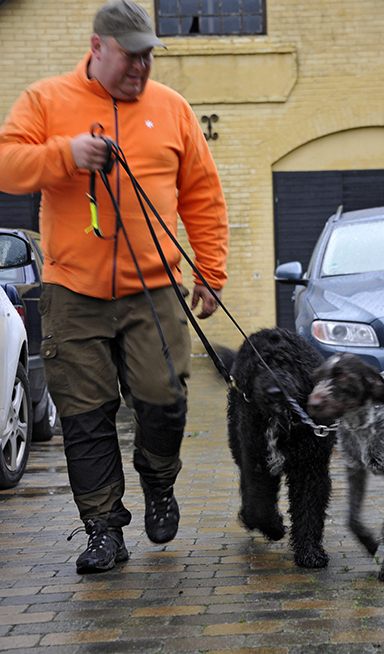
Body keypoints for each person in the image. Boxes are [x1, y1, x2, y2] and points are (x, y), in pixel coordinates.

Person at [0, 0, 229, 573]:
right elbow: (6, 163)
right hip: (72, 291)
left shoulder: (171, 108)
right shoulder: (46, 100)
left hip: (153, 289)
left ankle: (158, 480)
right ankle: (104, 530)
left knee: (166, 400)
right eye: (132, 55)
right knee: (84, 416)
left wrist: (211, 268)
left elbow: (202, 194)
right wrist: (66, 154)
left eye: (150, 55)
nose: (142, 67)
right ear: (98, 47)